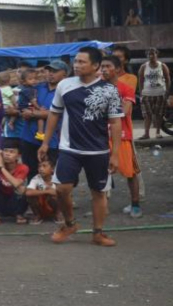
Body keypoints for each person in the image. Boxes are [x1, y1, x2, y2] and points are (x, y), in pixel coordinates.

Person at [38, 46, 123, 247]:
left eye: (82, 62)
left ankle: (98, 233)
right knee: (61, 188)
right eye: (75, 61)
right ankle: (69, 224)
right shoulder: (64, 85)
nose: (76, 65)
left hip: (99, 150)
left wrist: (115, 154)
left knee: (98, 192)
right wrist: (44, 142)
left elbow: (116, 122)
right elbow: (54, 114)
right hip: (69, 148)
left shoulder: (109, 90)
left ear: (95, 66)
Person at [101, 56, 143, 218]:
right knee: (100, 173)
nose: (103, 69)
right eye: (102, 66)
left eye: (107, 66)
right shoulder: (96, 88)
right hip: (101, 136)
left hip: (123, 136)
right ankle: (102, 206)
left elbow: (124, 111)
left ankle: (135, 204)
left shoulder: (126, 88)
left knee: (130, 172)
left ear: (117, 69)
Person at [20, 61, 68, 181]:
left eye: (55, 71)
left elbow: (57, 113)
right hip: (28, 137)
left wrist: (32, 113)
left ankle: (51, 198)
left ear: (65, 75)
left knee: (49, 175)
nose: (51, 74)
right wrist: (23, 111)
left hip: (51, 140)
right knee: (30, 173)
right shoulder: (37, 87)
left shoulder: (66, 91)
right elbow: (23, 104)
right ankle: (33, 198)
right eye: (49, 71)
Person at [0, 140, 29, 225]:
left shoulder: (23, 168)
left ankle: (19, 215)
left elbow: (16, 184)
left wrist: (2, 168)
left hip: (15, 202)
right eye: (5, 151)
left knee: (22, 189)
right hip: (1, 202)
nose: (7, 154)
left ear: (18, 156)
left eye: (11, 152)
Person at [138, 47, 170, 139]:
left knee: (159, 114)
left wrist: (167, 92)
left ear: (157, 54)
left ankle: (158, 132)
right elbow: (140, 80)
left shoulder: (162, 66)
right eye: (149, 54)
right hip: (147, 94)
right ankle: (146, 134)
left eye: (153, 54)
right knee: (147, 115)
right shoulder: (144, 66)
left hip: (160, 93)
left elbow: (168, 79)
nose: (151, 56)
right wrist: (141, 93)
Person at [10, 69, 44, 141]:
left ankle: (11, 122)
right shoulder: (28, 90)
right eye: (30, 79)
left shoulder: (28, 88)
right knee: (40, 117)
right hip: (25, 107)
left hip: (22, 106)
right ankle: (40, 133)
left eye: (35, 78)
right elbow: (33, 101)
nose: (34, 80)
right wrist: (39, 108)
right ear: (24, 81)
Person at [25, 158, 61, 224]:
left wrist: (52, 192)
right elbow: (28, 192)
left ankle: (57, 214)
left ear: (52, 169)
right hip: (41, 205)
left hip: (53, 205)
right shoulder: (36, 178)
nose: (41, 169)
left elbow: (63, 193)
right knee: (31, 197)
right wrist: (46, 191)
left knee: (55, 196)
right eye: (39, 166)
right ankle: (38, 215)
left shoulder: (57, 178)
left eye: (44, 166)